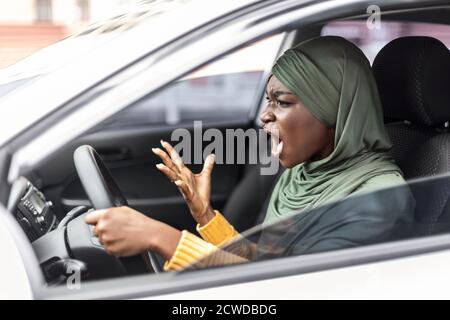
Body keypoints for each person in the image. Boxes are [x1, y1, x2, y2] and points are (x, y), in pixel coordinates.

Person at [85, 36, 414, 271]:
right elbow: (262, 265)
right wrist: (206, 216)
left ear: (333, 111)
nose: (264, 116)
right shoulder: (303, 174)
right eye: (268, 101)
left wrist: (163, 238)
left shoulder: (379, 196)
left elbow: (290, 291)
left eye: (281, 102)